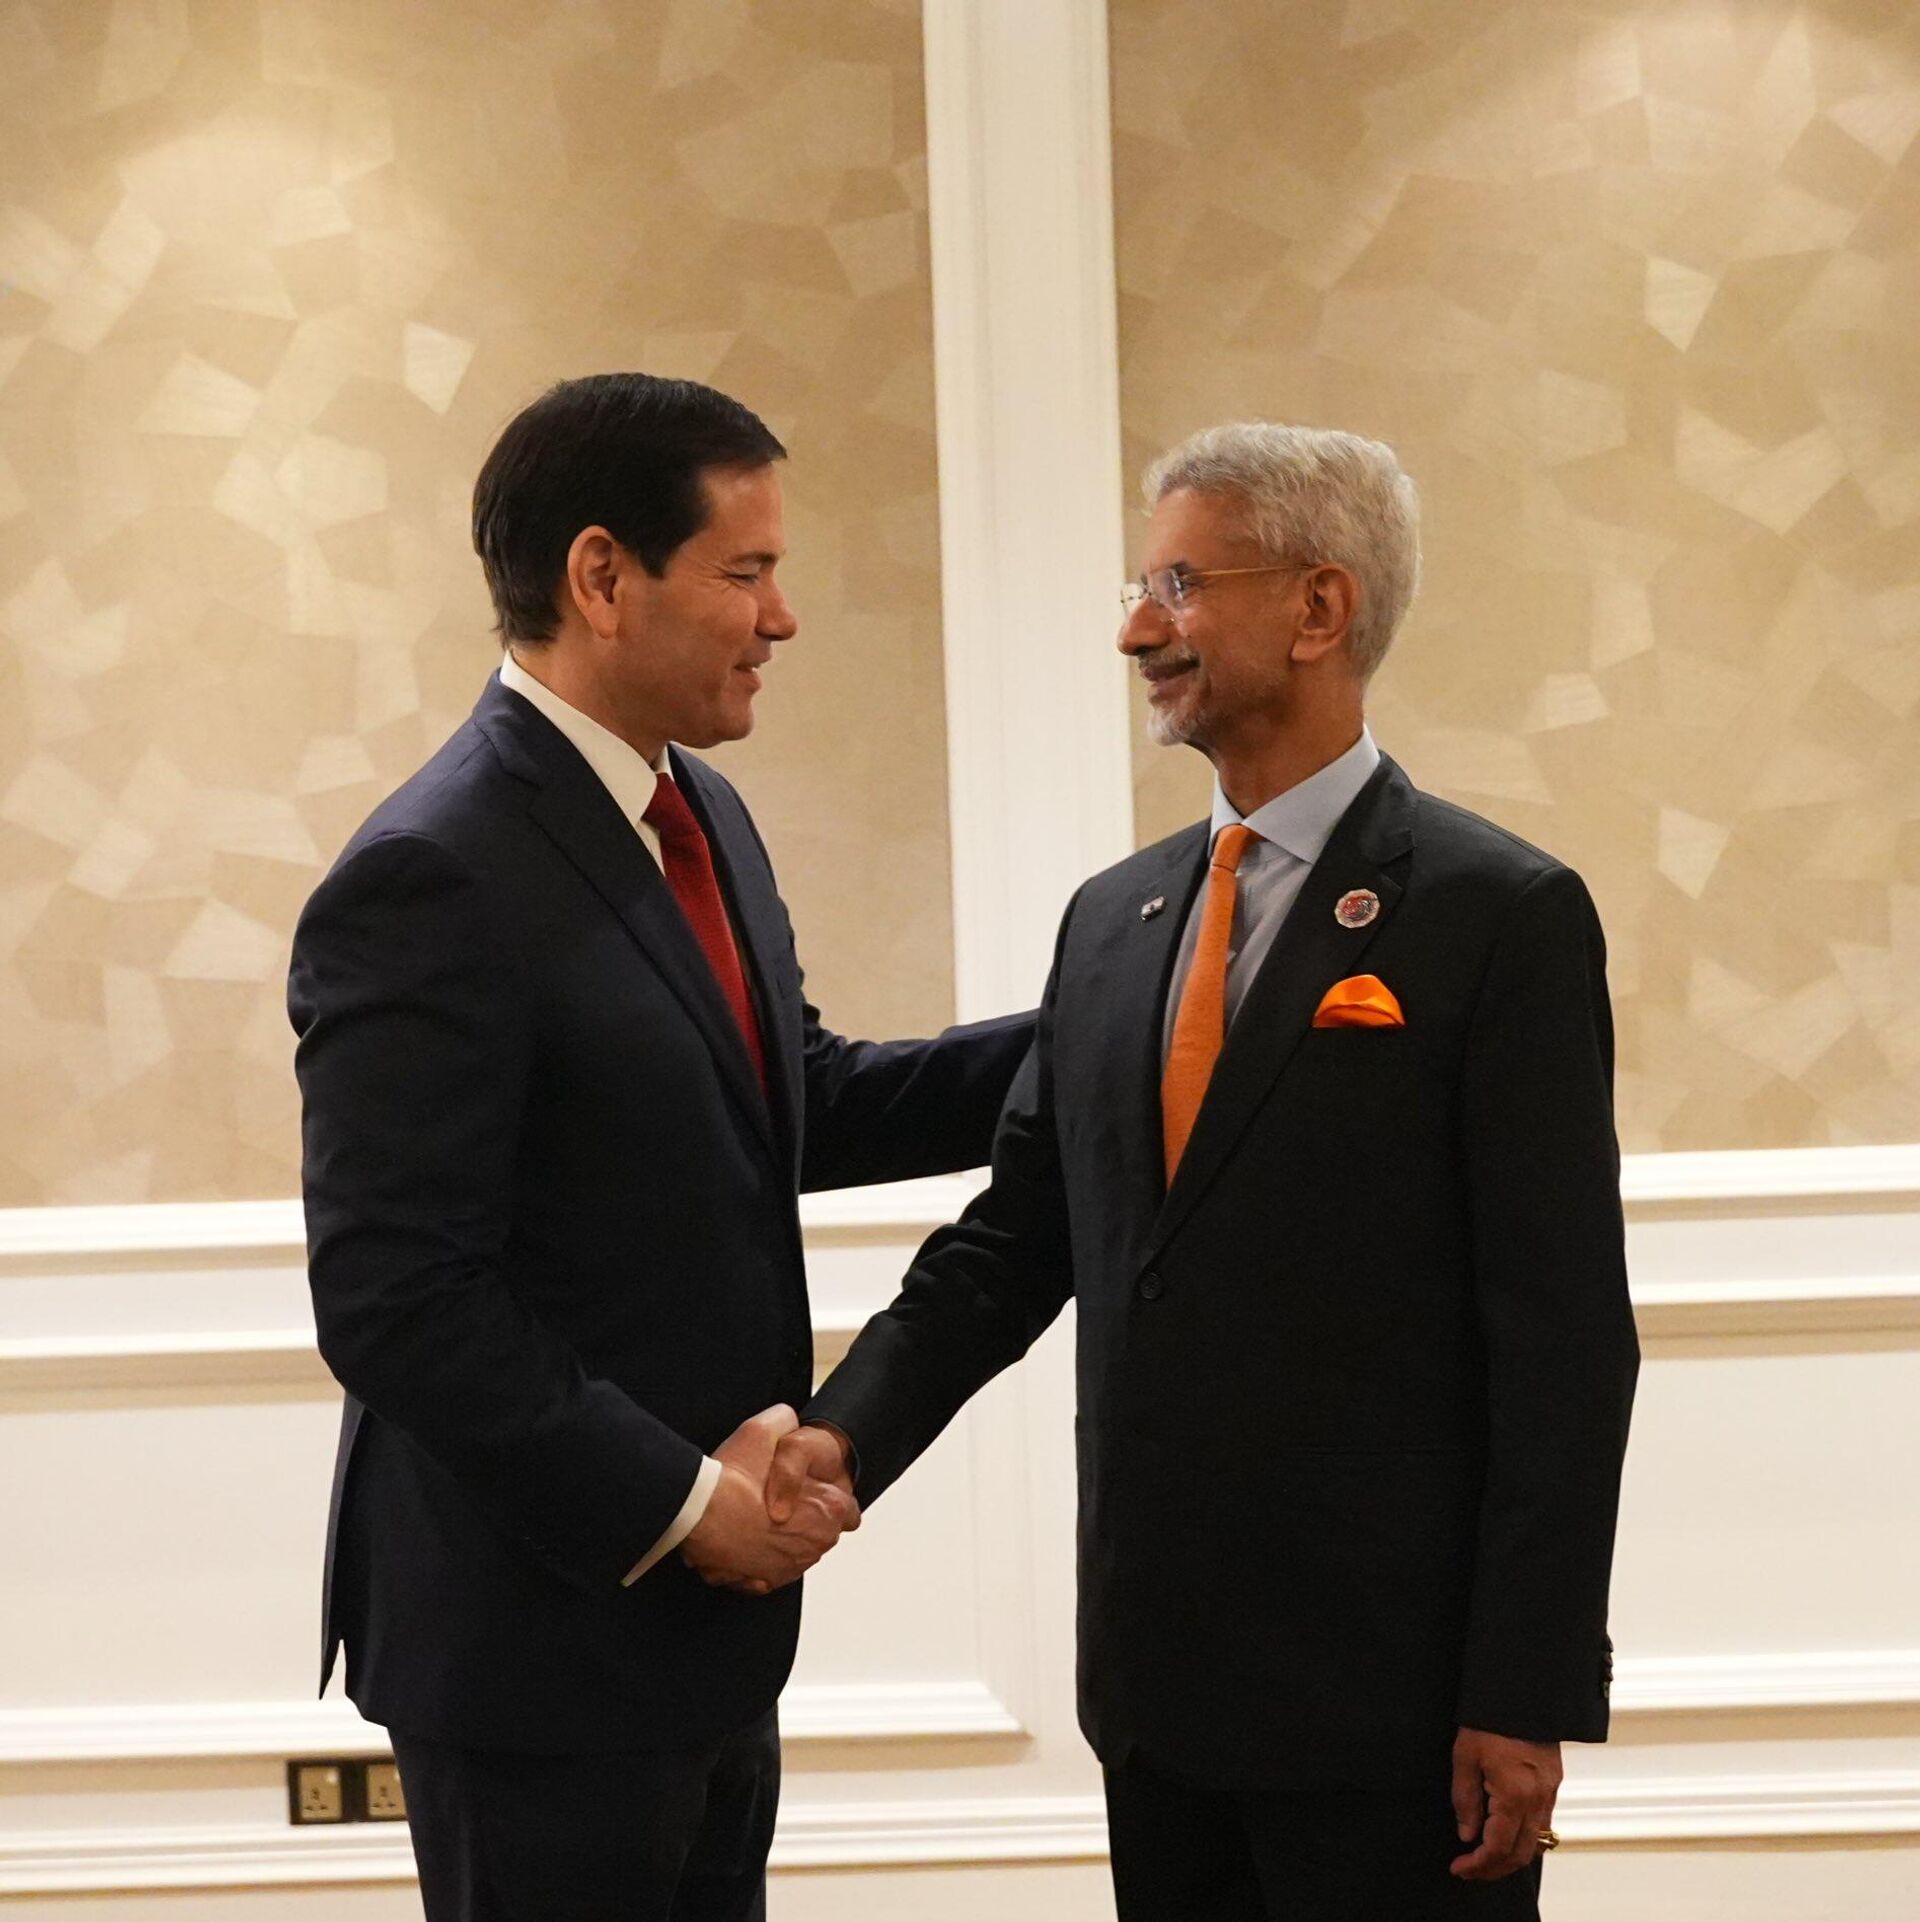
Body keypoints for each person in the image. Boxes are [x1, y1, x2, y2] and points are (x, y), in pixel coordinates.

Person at [779, 422, 1639, 1920]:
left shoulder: (1499, 915)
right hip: (1159, 1696)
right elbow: (1015, 1243)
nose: (1137, 629)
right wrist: (839, 1440)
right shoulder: (1114, 921)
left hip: (1398, 1715)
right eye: (1140, 586)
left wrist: (1525, 1686)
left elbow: (1564, 1338)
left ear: (1319, 607)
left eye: (1178, 584)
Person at [288, 372, 1034, 1922]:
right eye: (746, 571)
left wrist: (1101, 1024)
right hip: (539, 1641)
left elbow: (795, 1099)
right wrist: (692, 1506)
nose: (783, 618)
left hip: (704, 1642)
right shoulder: (431, 870)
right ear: (602, 576)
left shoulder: (703, 812)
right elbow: (397, 1298)